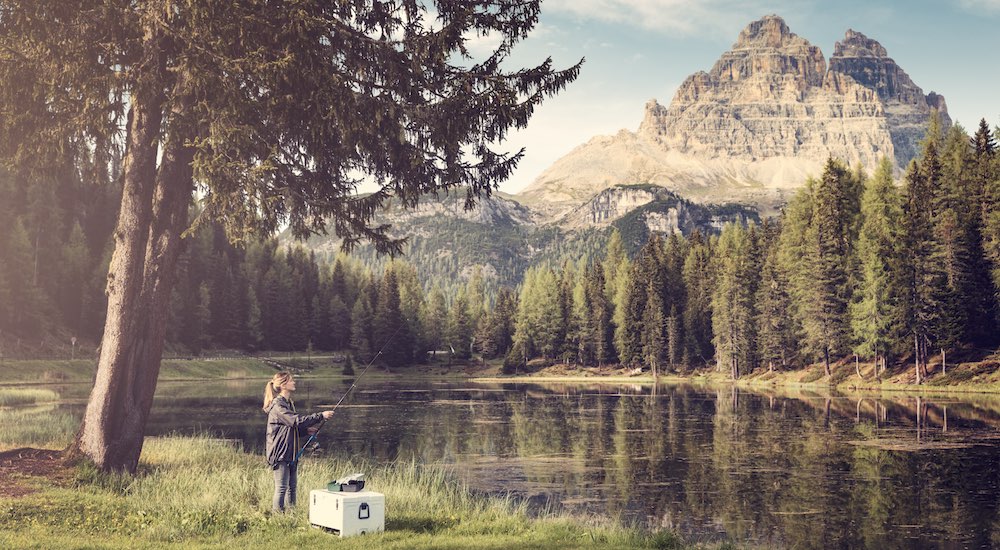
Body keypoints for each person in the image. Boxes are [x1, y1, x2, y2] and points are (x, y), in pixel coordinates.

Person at [263, 372, 334, 512]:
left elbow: (290, 428)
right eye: (291, 380)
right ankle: (278, 518)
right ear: (283, 385)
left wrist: (306, 431)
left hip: (291, 452)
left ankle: (292, 515)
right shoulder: (278, 406)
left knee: (292, 488)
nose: (294, 382)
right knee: (282, 488)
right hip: (280, 453)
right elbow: (296, 421)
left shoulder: (288, 404)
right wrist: (320, 416)